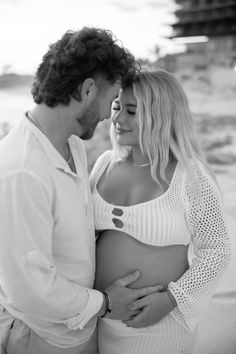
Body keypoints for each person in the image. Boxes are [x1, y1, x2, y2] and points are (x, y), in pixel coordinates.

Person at [0, 28, 163, 354]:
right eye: (111, 99)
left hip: (80, 330)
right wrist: (104, 303)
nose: (108, 114)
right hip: (43, 339)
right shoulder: (22, 171)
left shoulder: (73, 144)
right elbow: (30, 289)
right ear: (88, 90)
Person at [90, 68, 231, 353]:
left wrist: (170, 300)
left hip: (160, 327)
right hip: (101, 322)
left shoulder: (189, 176)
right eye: (117, 107)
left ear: (161, 115)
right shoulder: (105, 164)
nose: (117, 119)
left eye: (131, 111)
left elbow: (217, 250)